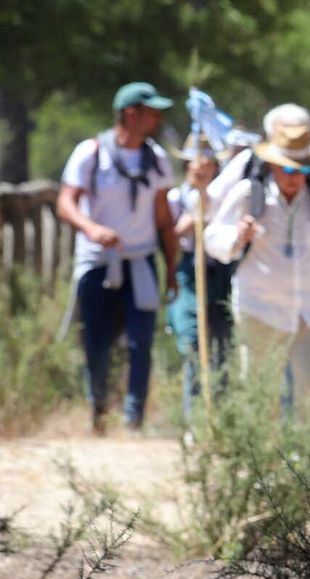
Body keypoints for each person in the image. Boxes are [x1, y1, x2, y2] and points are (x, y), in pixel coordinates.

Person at [204, 114, 310, 408]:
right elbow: (213, 238)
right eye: (286, 169)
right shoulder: (250, 193)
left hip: (309, 310)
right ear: (272, 164)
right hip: (260, 308)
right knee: (260, 392)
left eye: (301, 169)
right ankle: (259, 454)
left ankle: (309, 454)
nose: (293, 177)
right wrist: (237, 237)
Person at [56, 82, 179, 433]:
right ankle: (99, 411)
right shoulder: (91, 153)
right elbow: (65, 202)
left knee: (142, 342)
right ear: (130, 113)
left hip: (140, 261)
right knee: (97, 341)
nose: (156, 119)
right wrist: (91, 228)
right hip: (98, 263)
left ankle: (133, 419)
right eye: (151, 112)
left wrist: (170, 268)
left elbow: (163, 220)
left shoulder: (156, 159)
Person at [166, 134, 234, 422]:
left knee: (222, 344)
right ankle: (194, 419)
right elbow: (172, 234)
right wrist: (196, 215)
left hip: (220, 273)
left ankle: (219, 416)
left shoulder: (223, 197)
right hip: (190, 273)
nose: (200, 169)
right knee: (194, 344)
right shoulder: (175, 197)